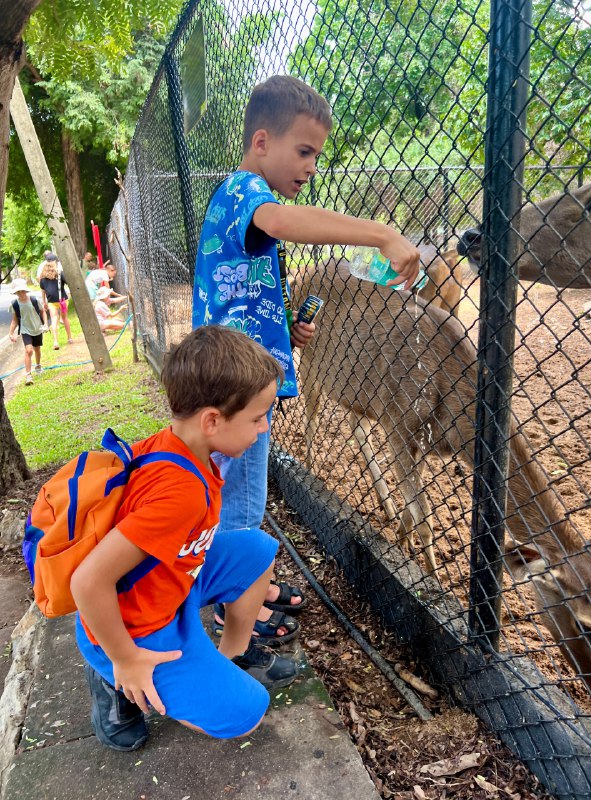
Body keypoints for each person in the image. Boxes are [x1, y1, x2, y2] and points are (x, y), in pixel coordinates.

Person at [192, 75, 420, 643]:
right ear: (262, 141)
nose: (312, 166)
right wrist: (381, 234)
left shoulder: (245, 204)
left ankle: (249, 584)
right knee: (242, 499)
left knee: (241, 490)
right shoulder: (247, 191)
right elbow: (283, 220)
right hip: (233, 390)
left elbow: (240, 294)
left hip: (237, 375)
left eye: (317, 155)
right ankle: (233, 607)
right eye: (304, 151)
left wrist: (285, 331)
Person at [72, 326, 298, 752]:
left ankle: (226, 658)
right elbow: (86, 581)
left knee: (257, 549)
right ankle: (112, 677)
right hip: (138, 627)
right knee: (245, 714)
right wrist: (124, 657)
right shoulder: (179, 493)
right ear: (211, 420)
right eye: (257, 416)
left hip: (172, 584)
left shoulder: (179, 447)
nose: (264, 427)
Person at [8, 279, 48, 385]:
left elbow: (42, 311)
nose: (21, 293)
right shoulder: (14, 304)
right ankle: (28, 375)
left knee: (37, 349)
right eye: (18, 292)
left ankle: (38, 365)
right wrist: (11, 333)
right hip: (25, 330)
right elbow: (15, 319)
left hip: (37, 328)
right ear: (15, 293)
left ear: (26, 290)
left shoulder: (34, 300)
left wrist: (45, 325)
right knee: (29, 350)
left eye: (22, 291)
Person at [39, 259, 74, 349]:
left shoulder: (42, 279)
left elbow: (43, 291)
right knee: (65, 318)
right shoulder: (59, 275)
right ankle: (69, 338)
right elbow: (68, 283)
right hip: (62, 300)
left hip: (51, 302)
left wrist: (44, 301)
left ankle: (55, 342)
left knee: (54, 320)